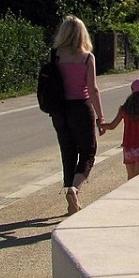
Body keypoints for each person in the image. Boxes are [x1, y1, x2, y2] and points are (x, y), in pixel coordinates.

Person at [49, 15, 104, 215]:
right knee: (88, 151)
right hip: (81, 107)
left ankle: (70, 194)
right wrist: (101, 117)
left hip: (59, 109)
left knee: (68, 150)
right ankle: (75, 188)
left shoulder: (55, 56)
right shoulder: (87, 57)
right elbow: (93, 88)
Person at [100, 77, 139, 180]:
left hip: (128, 147)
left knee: (130, 177)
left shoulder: (124, 109)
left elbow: (112, 126)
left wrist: (102, 125)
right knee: (138, 178)